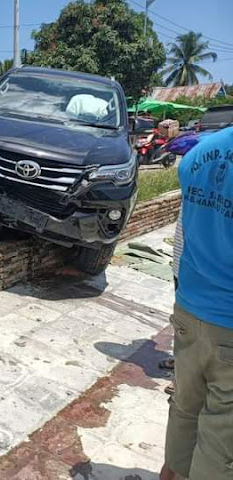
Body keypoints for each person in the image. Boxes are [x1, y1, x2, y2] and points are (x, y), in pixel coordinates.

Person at [160, 126, 233, 480]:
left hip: (190, 305)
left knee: (185, 407)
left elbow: (184, 230)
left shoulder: (198, 155)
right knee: (221, 439)